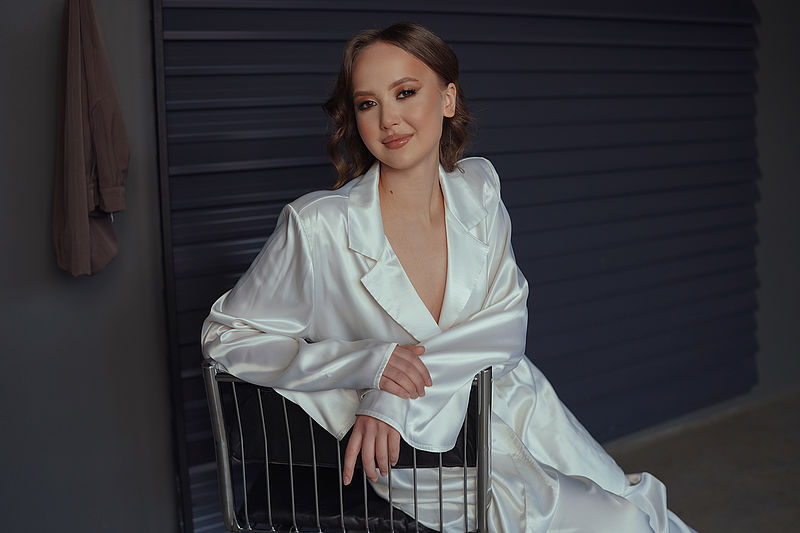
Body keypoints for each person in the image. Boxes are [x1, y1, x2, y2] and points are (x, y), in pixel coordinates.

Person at [201, 21, 697, 533]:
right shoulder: (317, 225)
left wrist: (394, 394)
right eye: (368, 104)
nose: (389, 119)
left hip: (514, 405)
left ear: (447, 98)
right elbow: (226, 337)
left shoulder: (480, 188)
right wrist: (368, 363)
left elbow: (507, 325)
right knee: (616, 522)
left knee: (640, 507)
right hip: (421, 453)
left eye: (406, 93)